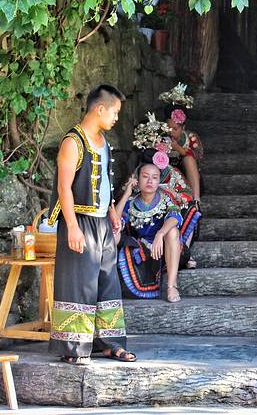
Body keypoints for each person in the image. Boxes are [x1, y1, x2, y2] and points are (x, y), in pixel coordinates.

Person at [46, 84, 136, 364]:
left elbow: (105, 181)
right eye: (115, 112)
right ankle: (74, 348)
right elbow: (64, 187)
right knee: (79, 283)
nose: (116, 118)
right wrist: (72, 227)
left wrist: (111, 211)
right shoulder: (73, 142)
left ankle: (110, 344)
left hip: (102, 224)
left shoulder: (103, 142)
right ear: (99, 109)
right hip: (80, 221)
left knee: (107, 281)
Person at [116, 163, 196, 303]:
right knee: (113, 234)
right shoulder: (131, 202)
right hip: (144, 247)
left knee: (172, 231)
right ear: (137, 180)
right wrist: (126, 194)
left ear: (159, 181)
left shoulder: (166, 198)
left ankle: (171, 285)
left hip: (167, 247)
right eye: (145, 177)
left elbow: (174, 218)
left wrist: (160, 234)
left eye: (154, 177)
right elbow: (115, 221)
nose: (150, 181)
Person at [164, 104, 204, 202]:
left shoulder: (191, 137)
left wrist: (178, 148)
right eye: (168, 128)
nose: (171, 132)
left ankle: (196, 199)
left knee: (188, 159)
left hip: (189, 177)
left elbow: (198, 157)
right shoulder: (162, 138)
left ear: (183, 128)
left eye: (175, 129)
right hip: (169, 176)